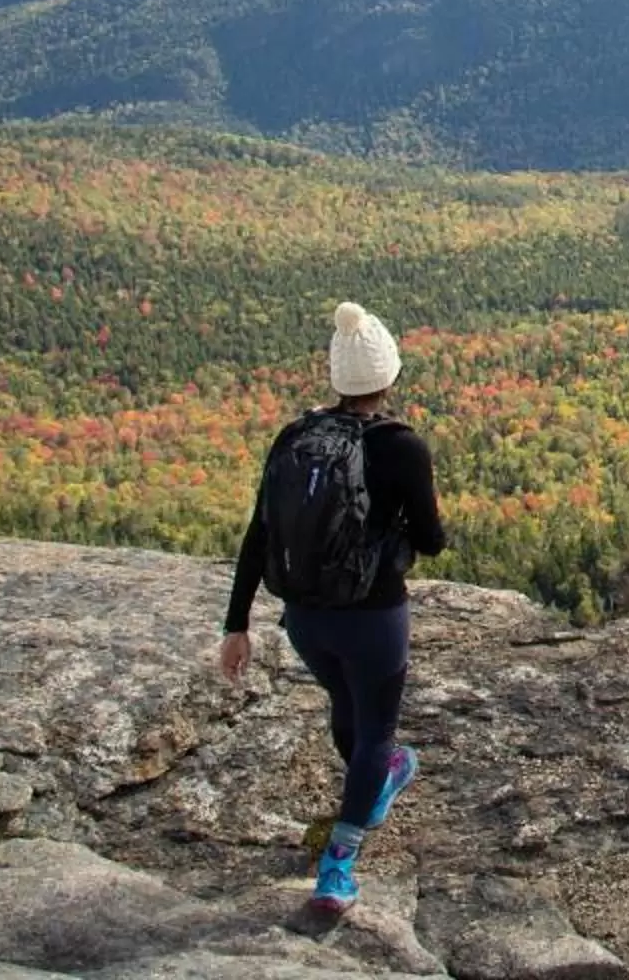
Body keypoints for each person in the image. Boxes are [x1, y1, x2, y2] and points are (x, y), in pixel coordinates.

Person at [217, 300, 447, 916]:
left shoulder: (295, 438)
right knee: (378, 730)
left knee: (347, 706)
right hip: (374, 617)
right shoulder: (402, 447)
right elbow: (431, 539)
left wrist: (236, 624)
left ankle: (375, 783)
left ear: (337, 377)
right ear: (390, 374)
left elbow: (259, 533)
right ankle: (338, 863)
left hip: (305, 621)